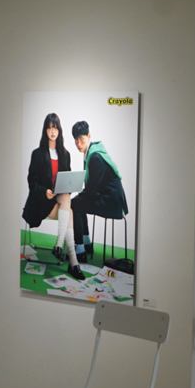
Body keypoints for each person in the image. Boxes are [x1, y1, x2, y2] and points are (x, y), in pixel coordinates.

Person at [22, 113, 85, 281]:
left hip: (59, 198)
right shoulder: (37, 154)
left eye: (55, 127)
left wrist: (67, 188)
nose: (52, 131)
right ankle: (73, 262)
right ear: (45, 130)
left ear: (59, 130)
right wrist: (44, 192)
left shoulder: (65, 154)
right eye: (49, 128)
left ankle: (60, 246)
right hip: (41, 201)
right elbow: (32, 182)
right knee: (69, 213)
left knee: (66, 197)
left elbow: (68, 181)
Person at [70, 121, 128, 262]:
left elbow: (92, 190)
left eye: (81, 139)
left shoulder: (95, 157)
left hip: (112, 203)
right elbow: (92, 188)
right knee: (78, 202)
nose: (78, 143)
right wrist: (82, 195)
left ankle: (80, 251)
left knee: (75, 204)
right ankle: (86, 244)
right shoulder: (92, 152)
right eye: (76, 140)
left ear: (89, 136)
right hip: (108, 198)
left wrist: (80, 195)